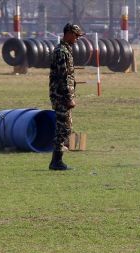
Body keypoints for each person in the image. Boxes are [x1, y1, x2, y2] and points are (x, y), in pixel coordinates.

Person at [48, 23, 84, 170]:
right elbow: (63, 77)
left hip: (61, 95)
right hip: (61, 96)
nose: (76, 39)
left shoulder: (65, 50)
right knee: (63, 128)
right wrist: (69, 97)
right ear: (68, 33)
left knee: (65, 127)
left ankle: (57, 160)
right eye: (75, 35)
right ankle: (56, 162)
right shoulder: (62, 51)